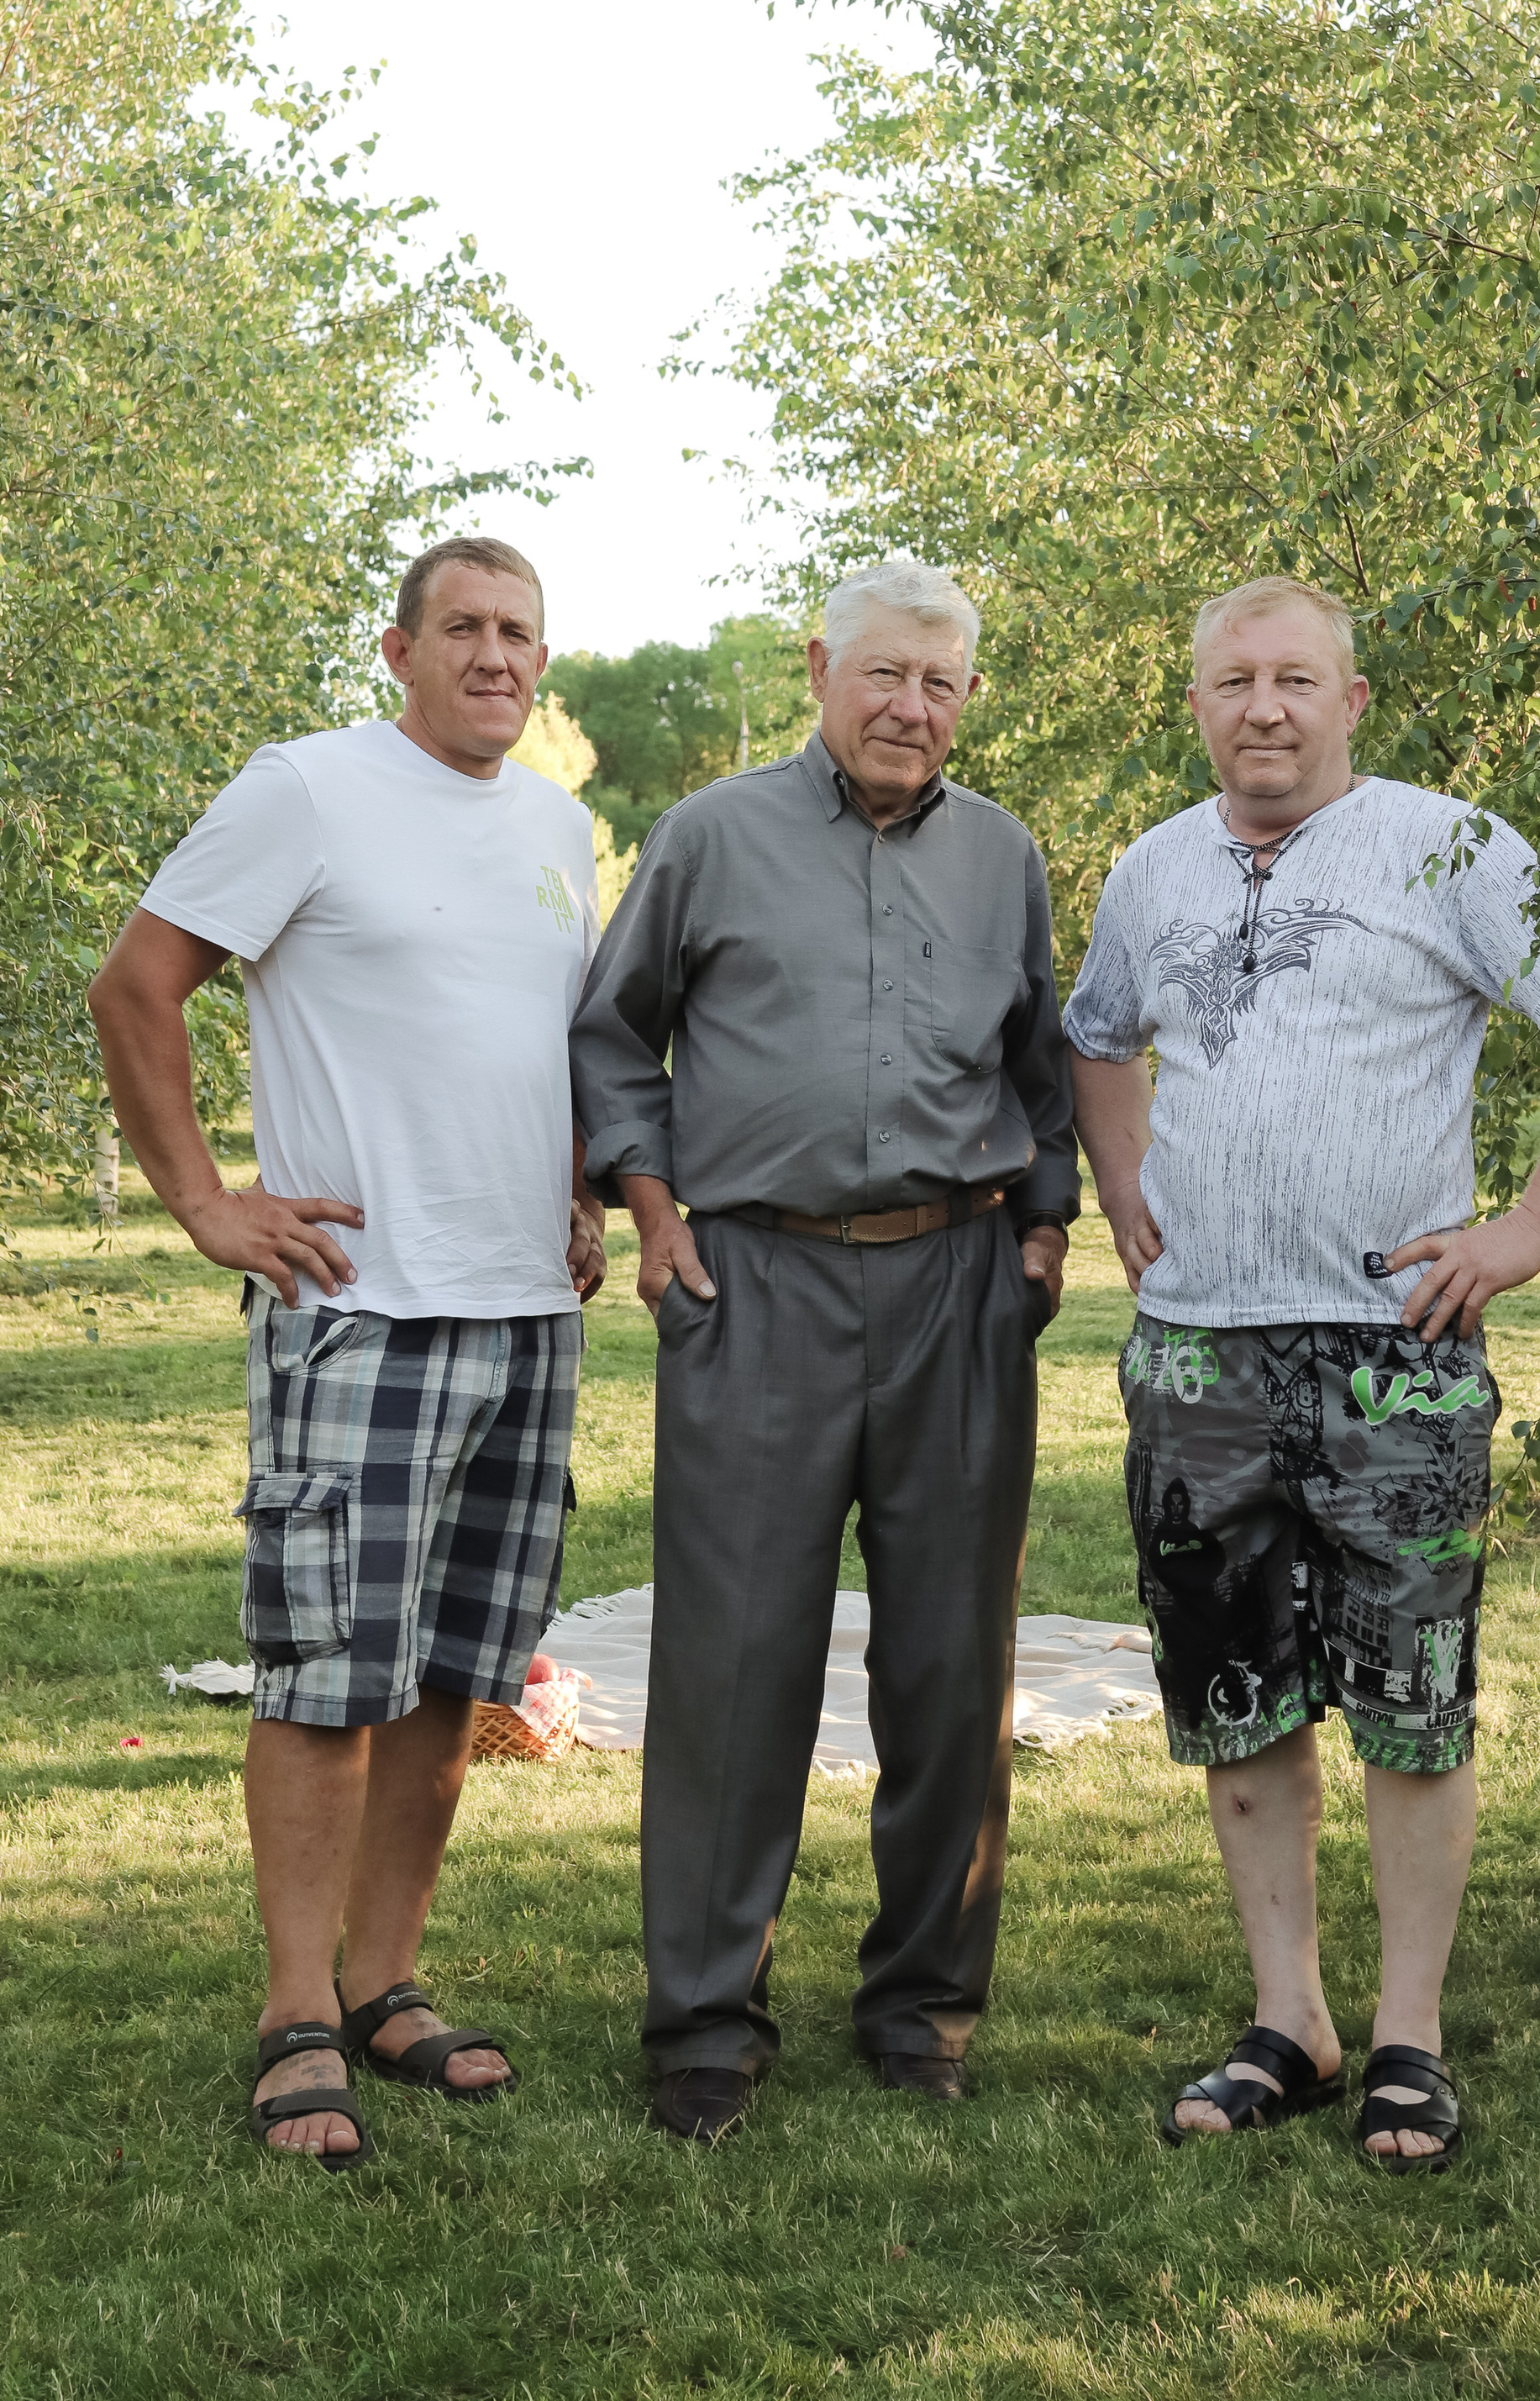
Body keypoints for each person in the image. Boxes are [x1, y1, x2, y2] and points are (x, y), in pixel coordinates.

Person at [1066, 574, 1540, 2171]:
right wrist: (1122, 1191)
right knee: (1234, 1694)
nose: (1262, 707)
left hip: (1393, 1355)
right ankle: (1291, 2021)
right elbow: (1097, 1034)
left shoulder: (1452, 847)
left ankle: (1409, 2038)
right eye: (1231, 682)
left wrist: (1539, 1221)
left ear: (1350, 700)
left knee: (1413, 1704)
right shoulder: (1150, 868)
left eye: (1293, 680)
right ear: (1194, 703)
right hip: (1197, 1351)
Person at [88, 535, 605, 2168]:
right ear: (398, 651)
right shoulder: (304, 790)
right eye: (462, 629)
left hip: (525, 1308)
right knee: (327, 1680)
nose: (494, 657)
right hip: (361, 1308)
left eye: (518, 633)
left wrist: (578, 1194)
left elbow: (529, 1041)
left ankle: (388, 1982)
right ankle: (296, 2011)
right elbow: (136, 986)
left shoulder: (553, 826)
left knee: (457, 1674)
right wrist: (202, 1200)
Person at [570, 555, 1079, 2141]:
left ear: (966, 698)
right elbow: (611, 1037)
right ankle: (706, 2026)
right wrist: (652, 1215)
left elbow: (1043, 1061)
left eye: (939, 685)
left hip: (956, 1291)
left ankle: (924, 2006)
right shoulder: (710, 839)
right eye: (883, 676)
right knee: (736, 1665)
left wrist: (1045, 1233)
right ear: (820, 670)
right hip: (752, 1288)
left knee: (952, 1668)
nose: (910, 709)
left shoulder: (1005, 856)